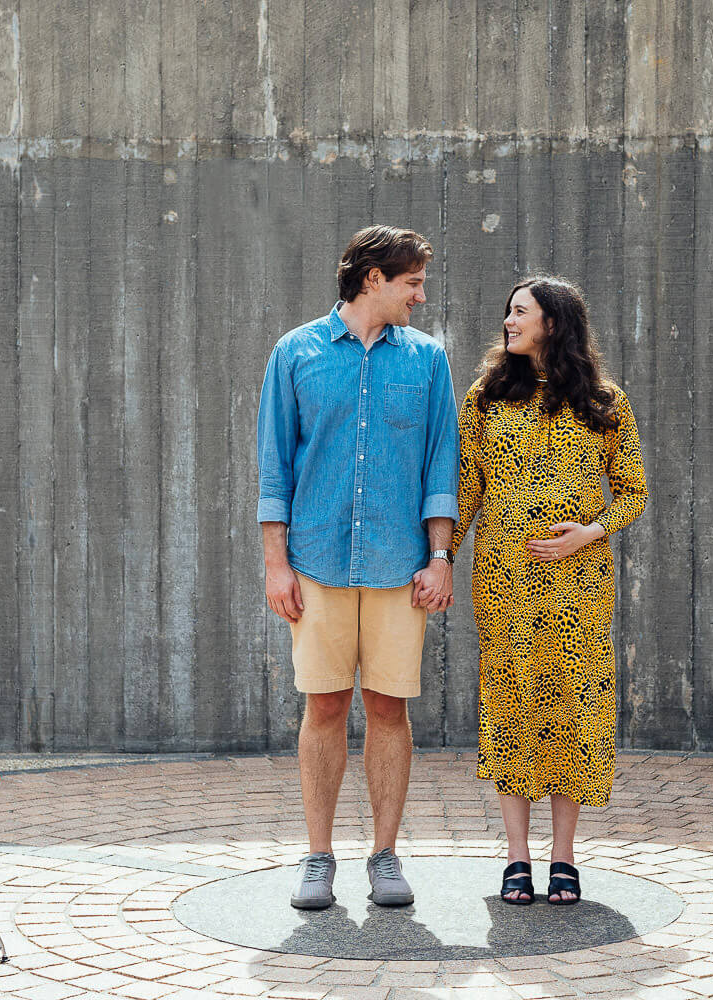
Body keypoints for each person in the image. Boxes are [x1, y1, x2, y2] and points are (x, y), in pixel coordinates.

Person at [257, 225, 460, 911]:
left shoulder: (429, 361)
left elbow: (441, 466)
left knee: (387, 707)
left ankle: (385, 854)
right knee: (323, 705)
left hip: (400, 567)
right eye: (413, 283)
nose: (421, 295)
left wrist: (440, 557)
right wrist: (275, 563)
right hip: (315, 561)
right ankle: (318, 857)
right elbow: (274, 466)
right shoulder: (296, 353)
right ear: (374, 278)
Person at [452, 276, 648, 906]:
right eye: (508, 312)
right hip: (505, 581)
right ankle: (517, 859)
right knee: (510, 710)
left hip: (580, 584)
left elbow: (636, 491)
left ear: (554, 324)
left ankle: (564, 859)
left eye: (520, 313)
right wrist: (437, 558)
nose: (508, 322)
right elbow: (467, 488)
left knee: (572, 713)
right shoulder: (485, 398)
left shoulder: (603, 401)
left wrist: (589, 532)